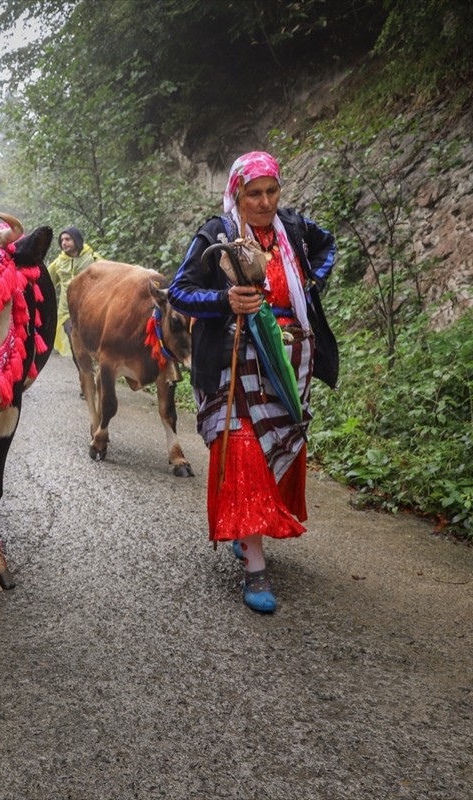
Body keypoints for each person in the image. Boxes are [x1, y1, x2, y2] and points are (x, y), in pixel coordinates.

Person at [167, 151, 338, 613]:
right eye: (253, 193)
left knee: (277, 447)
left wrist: (311, 280)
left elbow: (328, 247)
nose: (264, 202)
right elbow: (180, 291)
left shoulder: (294, 230)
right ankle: (255, 566)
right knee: (243, 446)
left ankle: (251, 532)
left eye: (271, 191)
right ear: (236, 194)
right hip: (232, 359)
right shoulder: (216, 235)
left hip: (289, 361)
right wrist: (226, 300)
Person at [47, 227, 100, 355]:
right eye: (62, 240)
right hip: (67, 312)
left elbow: (110, 278)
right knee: (75, 343)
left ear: (76, 240)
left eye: (68, 239)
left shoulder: (93, 258)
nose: (64, 243)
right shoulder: (59, 263)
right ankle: (84, 372)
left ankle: (94, 369)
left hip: (91, 310)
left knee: (93, 343)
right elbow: (46, 282)